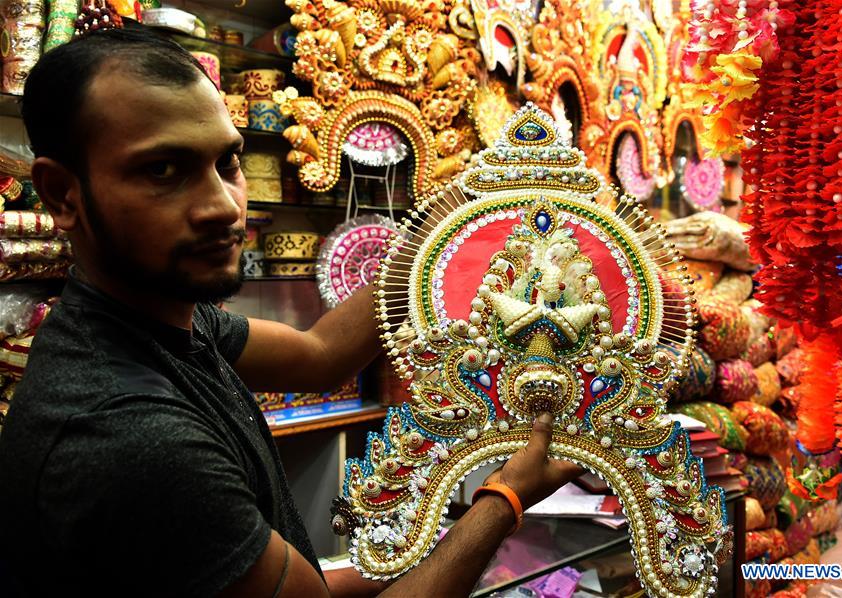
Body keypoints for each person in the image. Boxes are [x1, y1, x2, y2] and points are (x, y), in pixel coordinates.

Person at [0, 27, 581, 597]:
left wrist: (459, 230)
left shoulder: (156, 319)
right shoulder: (129, 439)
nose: (222, 207)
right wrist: (503, 500)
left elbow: (320, 355)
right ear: (61, 195)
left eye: (228, 163)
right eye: (163, 170)